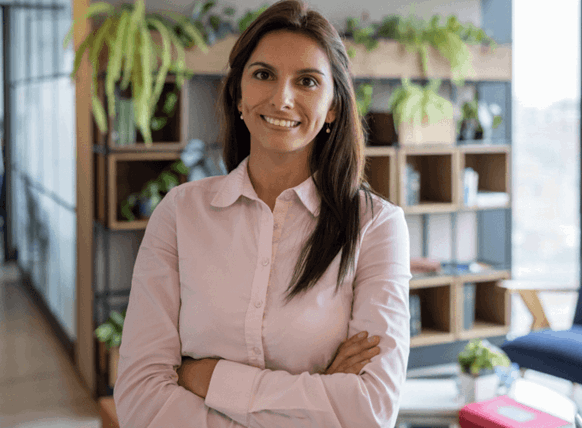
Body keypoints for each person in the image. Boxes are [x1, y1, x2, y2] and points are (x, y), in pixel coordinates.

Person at [113, 1, 412, 426]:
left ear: (332, 108)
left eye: (307, 81)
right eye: (263, 74)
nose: (282, 97)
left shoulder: (376, 226)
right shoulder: (180, 212)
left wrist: (210, 376)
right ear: (238, 94)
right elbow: (139, 398)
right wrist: (321, 389)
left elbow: (370, 408)